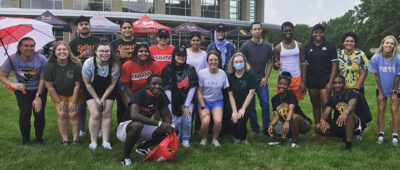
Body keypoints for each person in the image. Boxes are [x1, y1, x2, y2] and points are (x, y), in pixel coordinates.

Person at [117, 75, 174, 166]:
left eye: (160, 84)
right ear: (147, 85)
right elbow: (134, 115)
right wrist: (159, 123)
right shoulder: (139, 94)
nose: (157, 86)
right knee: (137, 125)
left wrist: (168, 126)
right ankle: (125, 157)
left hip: (143, 126)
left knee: (171, 130)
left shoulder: (161, 95)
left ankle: (143, 147)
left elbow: (167, 114)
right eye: (154, 84)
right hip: (126, 127)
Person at [0, 37, 47, 145]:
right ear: (20, 47)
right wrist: (13, 84)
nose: (29, 48)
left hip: (38, 89)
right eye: (26, 45)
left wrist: (38, 96)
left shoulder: (41, 59)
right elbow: (2, 76)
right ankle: (25, 140)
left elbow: (43, 79)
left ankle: (39, 139)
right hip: (22, 91)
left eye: (32, 46)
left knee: (39, 114)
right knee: (25, 114)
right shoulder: (12, 58)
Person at [43, 41, 82, 145]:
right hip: (58, 93)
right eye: (59, 49)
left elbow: (78, 85)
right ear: (54, 52)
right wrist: (59, 102)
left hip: (75, 92)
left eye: (64, 49)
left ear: (68, 51)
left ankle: (75, 139)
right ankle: (65, 140)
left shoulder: (77, 64)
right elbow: (50, 87)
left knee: (73, 114)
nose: (62, 52)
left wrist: (74, 102)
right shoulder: (49, 66)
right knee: (61, 114)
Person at [82, 43, 119, 150]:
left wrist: (102, 99)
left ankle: (105, 141)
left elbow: (112, 84)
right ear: (96, 52)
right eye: (101, 51)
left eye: (107, 51)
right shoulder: (88, 63)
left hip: (108, 89)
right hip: (91, 89)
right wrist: (97, 99)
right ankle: (93, 141)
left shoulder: (115, 65)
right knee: (95, 114)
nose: (104, 53)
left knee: (106, 113)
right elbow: (87, 84)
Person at [316, 75, 366, 151]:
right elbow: (326, 113)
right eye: (335, 83)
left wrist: (345, 112)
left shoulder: (351, 93)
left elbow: (352, 104)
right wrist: (322, 120)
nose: (337, 85)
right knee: (318, 127)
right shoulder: (333, 98)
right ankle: (343, 136)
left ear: (344, 84)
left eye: (340, 83)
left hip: (356, 124)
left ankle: (348, 145)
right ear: (332, 85)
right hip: (341, 123)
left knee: (349, 114)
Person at [69, 15, 100, 137]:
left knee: (97, 101)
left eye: (86, 24)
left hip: (96, 74)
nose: (84, 26)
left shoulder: (96, 40)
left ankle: (99, 127)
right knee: (81, 103)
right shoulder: (73, 43)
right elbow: (68, 60)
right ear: (77, 28)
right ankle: (82, 128)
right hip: (79, 75)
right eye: (81, 25)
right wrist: (79, 57)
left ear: (89, 26)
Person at [240, 21, 273, 136]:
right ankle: (254, 128)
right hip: (249, 81)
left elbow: (270, 63)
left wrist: (266, 77)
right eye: (254, 29)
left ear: (262, 30)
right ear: (251, 31)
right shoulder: (245, 46)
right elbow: (241, 63)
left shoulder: (267, 46)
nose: (257, 31)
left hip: (261, 80)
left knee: (265, 103)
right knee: (251, 105)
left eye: (259, 29)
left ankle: (266, 129)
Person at [161, 45, 198, 147]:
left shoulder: (190, 68)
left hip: (187, 100)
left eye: (183, 55)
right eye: (178, 55)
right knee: (176, 119)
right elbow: (166, 89)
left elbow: (193, 87)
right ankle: (176, 138)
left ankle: (186, 139)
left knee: (187, 119)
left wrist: (186, 105)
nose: (181, 57)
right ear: (174, 56)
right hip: (172, 100)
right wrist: (175, 105)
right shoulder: (167, 69)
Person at [305, 24, 337, 136]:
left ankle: (326, 129)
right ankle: (318, 129)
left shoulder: (330, 47)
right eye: (316, 32)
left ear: (324, 34)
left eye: (321, 32)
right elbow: (304, 65)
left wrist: (331, 82)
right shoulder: (307, 47)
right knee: (315, 105)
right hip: (311, 80)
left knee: (325, 104)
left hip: (325, 80)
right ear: (312, 33)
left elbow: (334, 65)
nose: (318, 34)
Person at [369, 35, 400, 145]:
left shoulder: (398, 58)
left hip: (396, 89)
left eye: (392, 43)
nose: (389, 45)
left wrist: (394, 92)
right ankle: (381, 134)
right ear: (383, 44)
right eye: (387, 43)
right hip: (381, 87)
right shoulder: (376, 58)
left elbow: (398, 76)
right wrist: (381, 92)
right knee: (381, 108)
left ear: (394, 46)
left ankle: (394, 136)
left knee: (394, 109)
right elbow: (377, 76)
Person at [268, 72, 311, 148]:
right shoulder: (274, 99)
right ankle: (290, 136)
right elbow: (276, 116)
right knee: (272, 129)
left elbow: (291, 108)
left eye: (285, 84)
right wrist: (271, 125)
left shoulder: (291, 94)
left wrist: (287, 122)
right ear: (277, 84)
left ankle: (295, 142)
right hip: (288, 123)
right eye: (280, 83)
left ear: (288, 86)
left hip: (303, 124)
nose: (282, 86)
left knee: (293, 117)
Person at [197, 51, 229, 146]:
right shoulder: (201, 73)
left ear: (218, 61)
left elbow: (226, 89)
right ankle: (204, 138)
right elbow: (198, 91)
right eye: (211, 60)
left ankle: (215, 139)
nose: (213, 62)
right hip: (204, 101)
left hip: (217, 101)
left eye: (215, 60)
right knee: (206, 122)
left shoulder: (223, 74)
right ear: (207, 62)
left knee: (218, 121)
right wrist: (203, 107)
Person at [111, 21, 138, 124]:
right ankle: (121, 126)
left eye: (129, 27)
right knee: (121, 104)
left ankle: (136, 125)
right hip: (120, 77)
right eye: (124, 28)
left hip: (136, 77)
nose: (127, 30)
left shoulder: (138, 42)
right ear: (121, 30)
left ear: (132, 29)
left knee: (136, 102)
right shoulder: (114, 44)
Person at [227, 52, 256, 144]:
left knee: (241, 122)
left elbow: (251, 93)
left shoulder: (250, 75)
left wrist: (243, 109)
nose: (238, 63)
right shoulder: (230, 76)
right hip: (234, 103)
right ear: (232, 64)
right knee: (233, 121)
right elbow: (230, 94)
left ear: (244, 63)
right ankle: (237, 138)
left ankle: (243, 138)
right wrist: (235, 111)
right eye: (236, 62)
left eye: (240, 61)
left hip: (246, 104)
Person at [273, 21, 307, 100]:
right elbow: (275, 66)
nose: (288, 32)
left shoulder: (299, 45)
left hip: (296, 78)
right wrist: (276, 65)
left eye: (290, 30)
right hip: (283, 79)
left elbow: (303, 63)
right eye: (285, 31)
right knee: (283, 103)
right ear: (282, 32)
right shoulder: (278, 47)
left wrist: (303, 81)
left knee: (295, 103)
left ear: (293, 31)